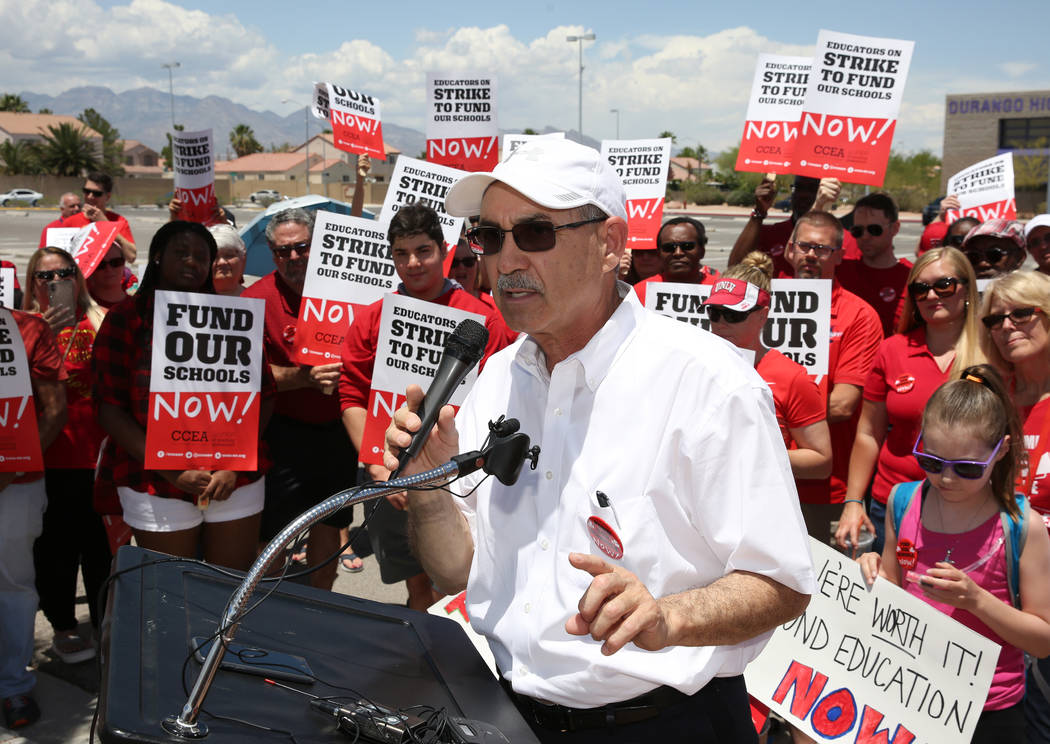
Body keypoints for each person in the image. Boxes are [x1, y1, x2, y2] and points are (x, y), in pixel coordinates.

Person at [385, 138, 814, 741]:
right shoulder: (499, 377)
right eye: (490, 236)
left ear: (611, 243)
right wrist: (429, 485)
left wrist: (667, 616)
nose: (506, 260)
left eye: (534, 233)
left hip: (664, 725)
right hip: (508, 718)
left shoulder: (710, 382)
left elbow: (782, 583)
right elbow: (455, 571)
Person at [858, 365, 1050, 744]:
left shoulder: (1020, 525)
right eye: (931, 462)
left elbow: (1042, 640)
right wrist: (871, 573)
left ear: (1002, 451)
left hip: (989, 710)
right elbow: (894, 589)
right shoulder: (903, 500)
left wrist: (976, 600)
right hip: (909, 694)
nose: (946, 478)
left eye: (966, 468)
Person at [339, 204, 516, 610]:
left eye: (423, 251)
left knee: (457, 590)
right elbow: (351, 396)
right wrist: (378, 466)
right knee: (418, 590)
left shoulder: (483, 319)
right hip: (387, 477)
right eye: (401, 254)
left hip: (462, 479)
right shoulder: (372, 318)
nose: (413, 263)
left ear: (444, 249)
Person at [93, 221, 269, 571]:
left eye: (201, 256)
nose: (192, 262)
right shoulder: (125, 319)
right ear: (157, 257)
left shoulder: (234, 317)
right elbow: (109, 409)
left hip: (233, 477)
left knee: (230, 587)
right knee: (169, 599)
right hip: (154, 480)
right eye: (181, 253)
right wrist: (170, 468)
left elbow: (264, 396)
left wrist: (234, 464)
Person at [837, 247, 984, 554]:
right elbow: (868, 434)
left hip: (973, 506)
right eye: (920, 288)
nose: (932, 295)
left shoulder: (993, 351)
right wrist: (853, 502)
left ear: (967, 288)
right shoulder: (892, 350)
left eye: (944, 284)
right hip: (893, 504)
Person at [241, 208, 357, 590]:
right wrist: (304, 378)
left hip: (339, 431)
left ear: (319, 246)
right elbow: (245, 377)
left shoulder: (351, 292)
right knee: (270, 535)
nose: (293, 258)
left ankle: (320, 602)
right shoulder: (255, 299)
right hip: (281, 434)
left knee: (332, 523)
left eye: (302, 248)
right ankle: (262, 615)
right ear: (271, 254)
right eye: (282, 251)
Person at [22, 248, 111, 665]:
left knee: (102, 551)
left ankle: (106, 621)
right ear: (31, 284)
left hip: (100, 458)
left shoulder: (103, 322)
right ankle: (63, 625)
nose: (54, 282)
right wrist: (36, 331)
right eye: (43, 276)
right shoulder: (19, 329)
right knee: (55, 551)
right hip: (48, 457)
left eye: (63, 272)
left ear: (78, 278)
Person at [705, 255, 833, 538]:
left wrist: (753, 453)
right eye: (715, 313)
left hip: (765, 518)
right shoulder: (698, 366)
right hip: (708, 511)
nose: (722, 323)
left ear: (763, 315)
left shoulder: (791, 376)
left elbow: (821, 462)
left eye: (734, 315)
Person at [978, 271, 1050, 740]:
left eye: (1022, 313)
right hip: (994, 590)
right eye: (995, 319)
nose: (1007, 326)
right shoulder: (989, 401)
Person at [782, 211, 883, 540]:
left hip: (827, 489)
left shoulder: (860, 315)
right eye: (803, 245)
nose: (810, 255)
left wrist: (771, 420)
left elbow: (842, 405)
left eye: (822, 249)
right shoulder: (762, 302)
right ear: (789, 249)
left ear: (840, 255)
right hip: (760, 479)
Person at [0, 308, 67, 730]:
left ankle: (12, 685)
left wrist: (11, 467)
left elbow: (53, 410)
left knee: (13, 584)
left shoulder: (28, 328)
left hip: (15, 485)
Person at [730, 175, 859, 277]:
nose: (804, 195)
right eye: (799, 187)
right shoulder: (771, 233)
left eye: (812, 189)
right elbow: (735, 269)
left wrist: (819, 206)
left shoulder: (846, 241)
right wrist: (759, 211)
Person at [837, 192, 914, 337]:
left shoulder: (913, 277)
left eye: (874, 230)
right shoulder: (840, 271)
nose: (865, 236)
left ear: (895, 228)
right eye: (858, 231)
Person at [39, 172, 136, 263]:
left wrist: (107, 226)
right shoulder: (70, 222)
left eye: (96, 193)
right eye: (87, 191)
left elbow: (131, 257)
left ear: (108, 197)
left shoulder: (119, 221)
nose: (90, 196)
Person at [632, 216, 719, 305]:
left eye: (687, 246)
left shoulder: (721, 290)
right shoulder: (640, 292)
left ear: (702, 251)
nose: (678, 253)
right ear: (659, 253)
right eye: (668, 247)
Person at [962, 219, 1026, 280]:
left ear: (1019, 258)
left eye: (994, 255)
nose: (982, 264)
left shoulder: (1034, 290)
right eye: (973, 256)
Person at [86, 241, 130, 309]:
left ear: (123, 263)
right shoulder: (80, 309)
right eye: (101, 265)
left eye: (116, 262)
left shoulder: (138, 306)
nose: (109, 269)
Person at [209, 224, 247, 296]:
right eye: (215, 257)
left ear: (243, 258)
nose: (222, 262)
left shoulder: (255, 298)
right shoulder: (189, 298)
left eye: (229, 255)